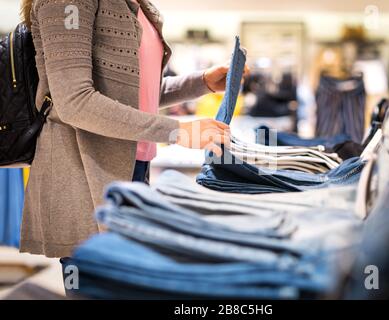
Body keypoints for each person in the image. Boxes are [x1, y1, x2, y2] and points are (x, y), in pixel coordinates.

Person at [18, 0, 248, 258]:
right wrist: (177, 131)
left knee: (127, 278)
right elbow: (74, 101)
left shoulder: (134, 4)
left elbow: (131, 94)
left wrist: (201, 82)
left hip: (132, 163)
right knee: (95, 283)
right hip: (83, 168)